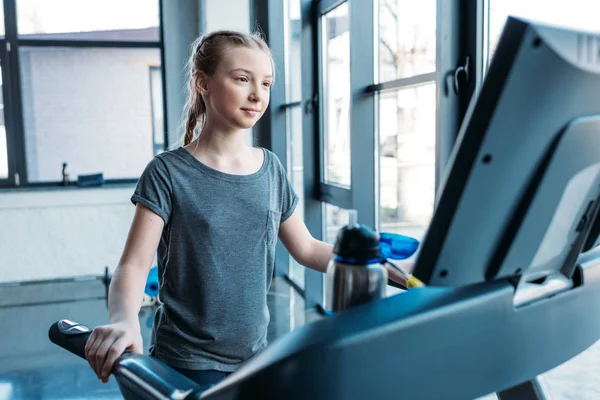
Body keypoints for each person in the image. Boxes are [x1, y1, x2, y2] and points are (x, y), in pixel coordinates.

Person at [84, 30, 412, 388]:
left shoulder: (270, 168)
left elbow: (307, 249)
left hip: (255, 359)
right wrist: (124, 319)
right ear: (202, 82)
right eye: (242, 79)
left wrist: (388, 267)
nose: (258, 95)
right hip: (185, 363)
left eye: (267, 84)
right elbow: (132, 266)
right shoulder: (167, 172)